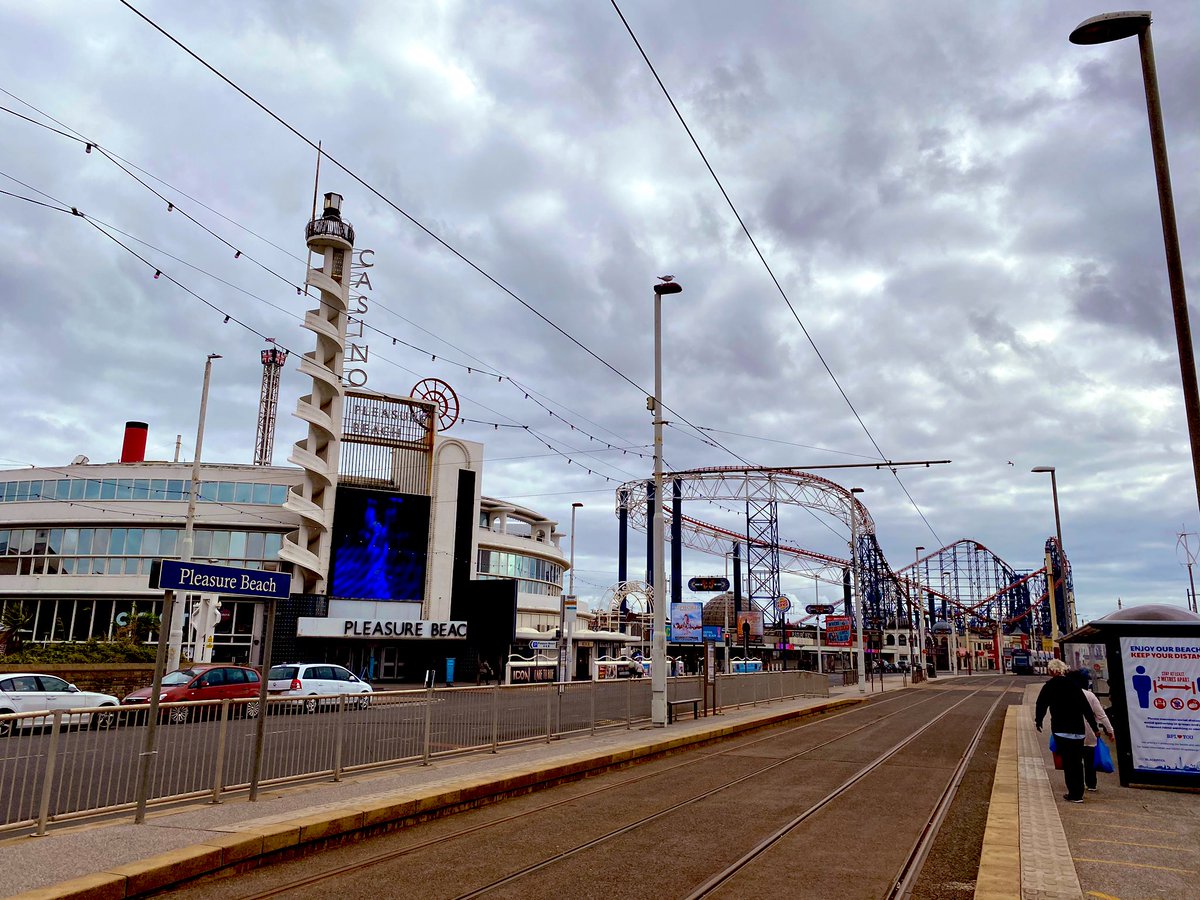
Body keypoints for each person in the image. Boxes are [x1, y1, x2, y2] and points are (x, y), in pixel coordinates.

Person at [1035, 658, 1099, 803]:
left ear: (1052, 671)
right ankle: (1078, 794)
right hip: (1078, 730)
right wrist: (1095, 728)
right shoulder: (1074, 685)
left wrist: (1039, 720)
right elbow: (1086, 708)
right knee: (1077, 761)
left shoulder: (1050, 686)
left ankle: (1073, 793)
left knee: (1068, 762)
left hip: (1061, 729)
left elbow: (1041, 704)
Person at [1068, 668, 1114, 792]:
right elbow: (1101, 715)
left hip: (1072, 732)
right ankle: (1091, 784)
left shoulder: (1069, 693)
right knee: (1089, 760)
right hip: (1090, 733)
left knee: (1075, 760)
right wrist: (1110, 730)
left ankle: (1077, 784)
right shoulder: (1090, 695)